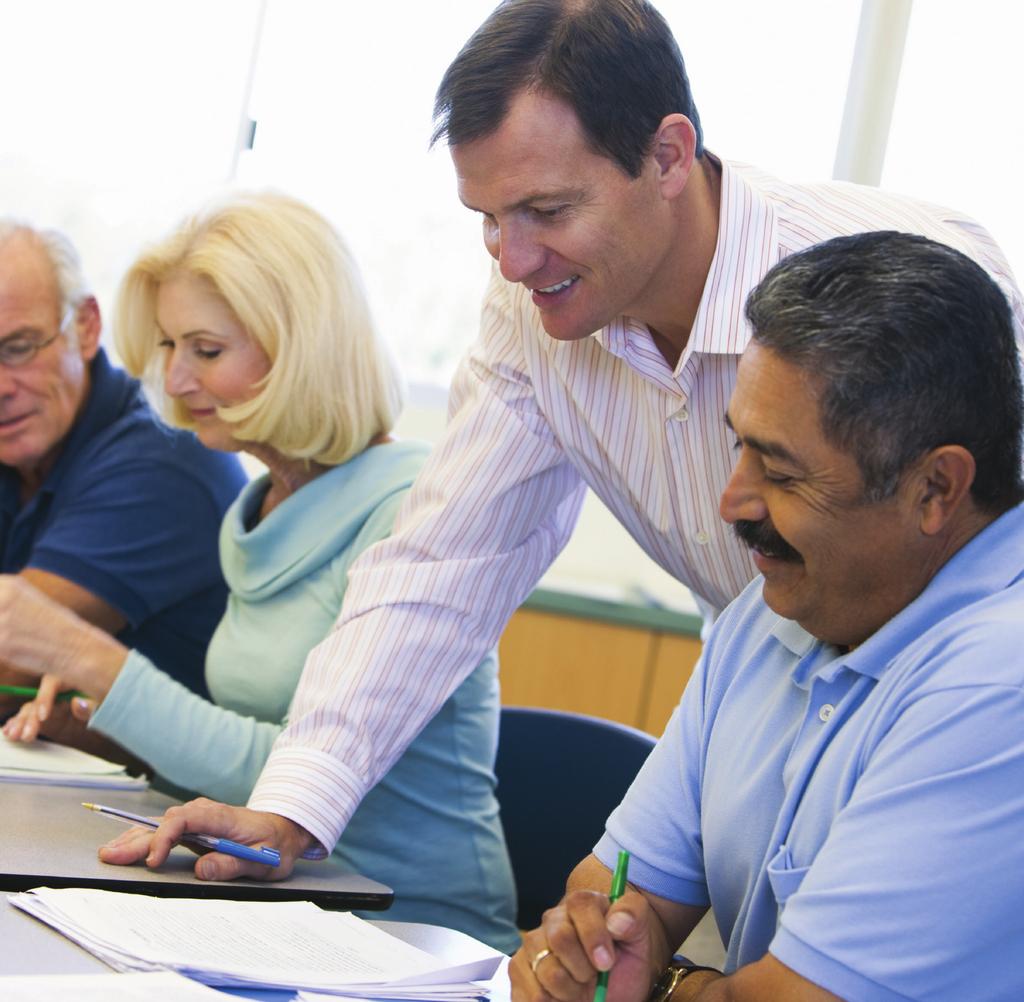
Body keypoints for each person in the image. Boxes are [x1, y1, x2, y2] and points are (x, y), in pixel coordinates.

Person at [69, 0, 1024, 881]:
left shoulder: (908, 276)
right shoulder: (534, 313)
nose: (514, 260)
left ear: (668, 155)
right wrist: (291, 806)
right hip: (760, 727)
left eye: (547, 212)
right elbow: (443, 565)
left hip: (961, 738)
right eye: (489, 220)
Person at [510, 232, 1024, 1002]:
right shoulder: (780, 602)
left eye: (778, 470)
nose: (732, 501)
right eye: (739, 448)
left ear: (936, 489)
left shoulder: (999, 683)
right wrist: (588, 948)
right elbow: (623, 895)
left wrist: (666, 987)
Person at [0, 192, 519, 953]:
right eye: (172, 349)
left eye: (205, 351)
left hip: (400, 929)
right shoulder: (260, 508)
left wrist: (91, 660)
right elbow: (240, 750)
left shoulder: (415, 510)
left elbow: (297, 772)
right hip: (265, 904)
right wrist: (109, 725)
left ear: (301, 347)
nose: (174, 381)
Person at [0, 220, 245, 734]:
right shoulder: (23, 445)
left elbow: (9, 653)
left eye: (17, 347)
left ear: (86, 326)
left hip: (169, 803)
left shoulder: (164, 457)